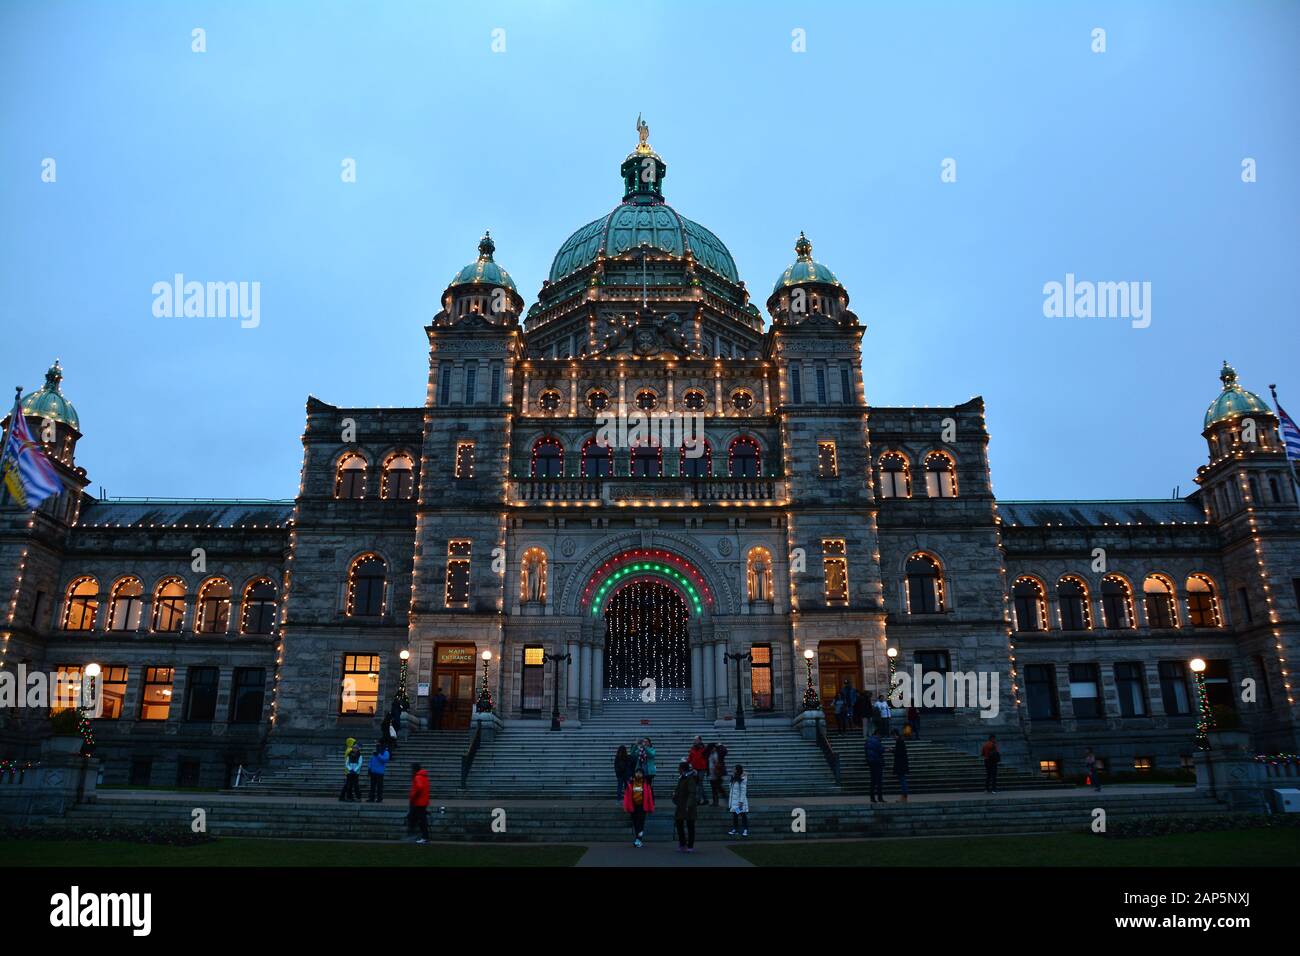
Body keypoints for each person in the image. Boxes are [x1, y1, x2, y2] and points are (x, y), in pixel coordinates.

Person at [622, 767, 654, 847]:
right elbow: (627, 795)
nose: (638, 774)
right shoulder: (631, 783)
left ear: (643, 774)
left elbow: (649, 795)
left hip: (642, 806)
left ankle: (639, 839)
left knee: (641, 823)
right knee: (636, 823)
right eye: (637, 772)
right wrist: (626, 806)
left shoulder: (646, 783)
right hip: (634, 806)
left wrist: (651, 806)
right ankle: (638, 838)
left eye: (640, 773)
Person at [673, 760, 699, 852]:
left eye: (679, 768)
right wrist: (675, 795)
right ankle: (682, 843)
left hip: (688, 807)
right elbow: (678, 789)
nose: (677, 770)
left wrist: (689, 805)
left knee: (690, 825)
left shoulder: (690, 778)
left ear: (682, 769)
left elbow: (692, 792)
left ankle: (690, 845)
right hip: (681, 805)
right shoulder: (682, 778)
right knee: (679, 824)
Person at [408, 762, 430, 844]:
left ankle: (424, 837)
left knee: (420, 820)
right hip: (423, 802)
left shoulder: (418, 777)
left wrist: (413, 796)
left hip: (418, 802)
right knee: (420, 819)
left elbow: (419, 787)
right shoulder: (424, 777)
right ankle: (422, 836)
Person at [727, 764, 749, 836]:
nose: (733, 770)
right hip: (734, 802)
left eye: (734, 769)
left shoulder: (742, 779)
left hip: (739, 803)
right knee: (735, 815)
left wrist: (741, 802)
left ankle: (745, 830)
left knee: (742, 815)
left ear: (737, 770)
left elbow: (743, 791)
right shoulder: (734, 777)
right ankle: (735, 829)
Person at [865, 728, 885, 803]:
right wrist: (887, 749)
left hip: (871, 762)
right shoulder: (877, 741)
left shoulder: (868, 740)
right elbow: (881, 750)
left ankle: (872, 797)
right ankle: (880, 797)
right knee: (879, 781)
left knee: (873, 780)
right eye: (881, 736)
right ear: (878, 734)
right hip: (877, 762)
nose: (881, 738)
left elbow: (866, 751)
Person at [688, 736, 709, 805]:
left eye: (696, 740)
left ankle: (698, 800)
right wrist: (686, 762)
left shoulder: (704, 748)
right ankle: (705, 799)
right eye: (694, 740)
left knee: (699, 783)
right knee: (699, 784)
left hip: (702, 768)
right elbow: (690, 757)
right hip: (695, 768)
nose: (695, 741)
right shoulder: (693, 748)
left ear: (700, 740)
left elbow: (707, 758)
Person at [892, 730, 910, 802]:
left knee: (902, 780)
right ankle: (904, 797)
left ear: (895, 735)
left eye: (893, 736)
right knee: (903, 779)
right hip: (902, 764)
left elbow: (899, 753)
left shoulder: (899, 741)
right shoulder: (900, 741)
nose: (892, 737)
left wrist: (892, 751)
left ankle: (904, 796)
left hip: (901, 764)